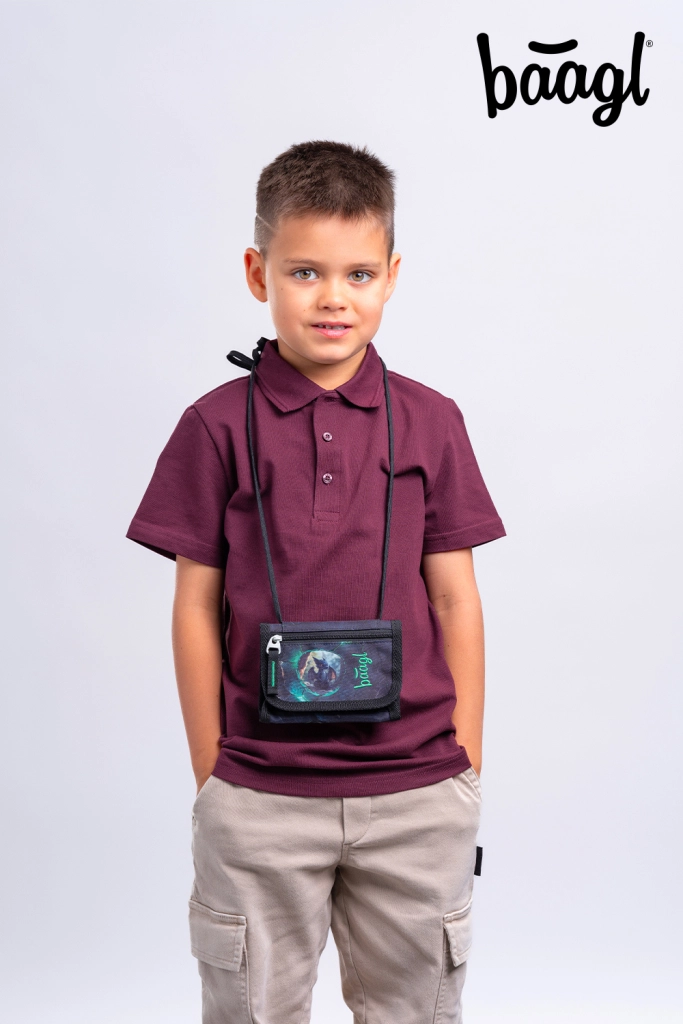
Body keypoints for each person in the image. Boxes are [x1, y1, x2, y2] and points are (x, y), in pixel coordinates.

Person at [126, 140, 505, 1024]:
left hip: (416, 789)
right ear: (257, 273)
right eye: (304, 272)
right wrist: (214, 773)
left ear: (391, 277)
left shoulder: (432, 421)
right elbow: (194, 606)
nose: (333, 297)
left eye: (358, 274)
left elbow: (455, 599)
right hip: (259, 793)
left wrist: (465, 765)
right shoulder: (214, 426)